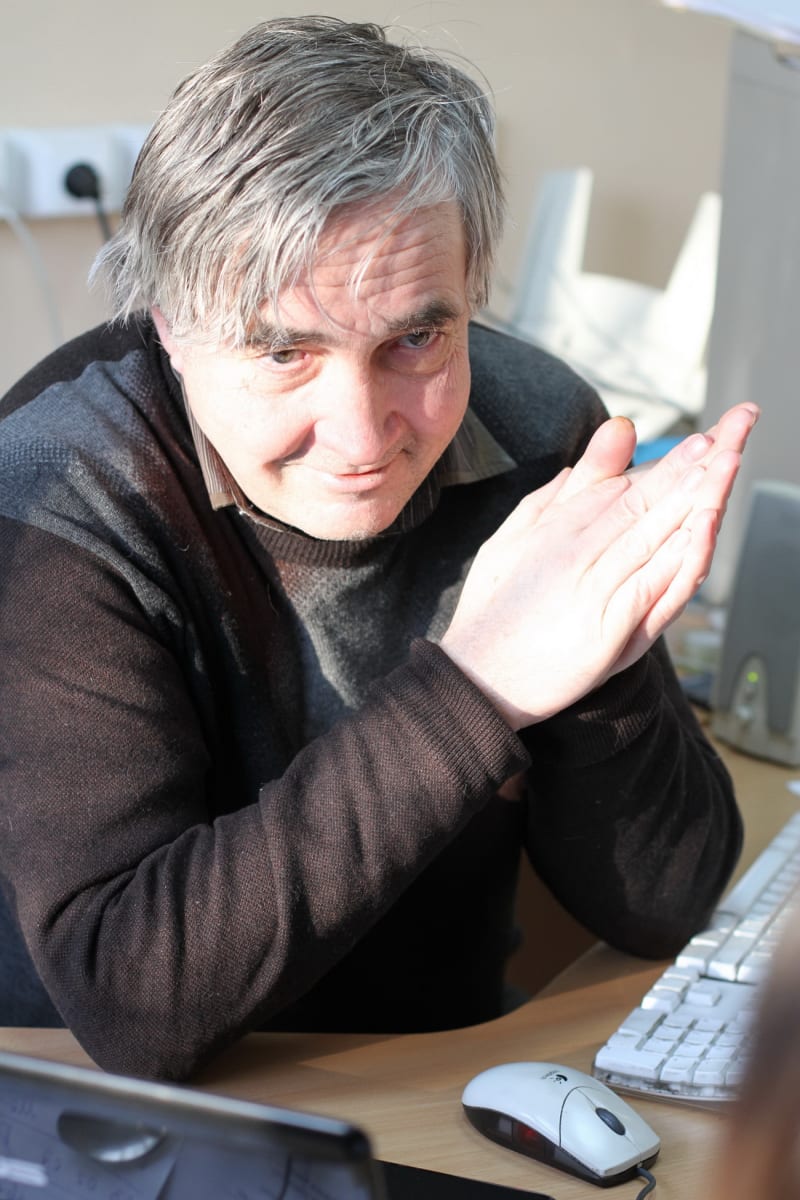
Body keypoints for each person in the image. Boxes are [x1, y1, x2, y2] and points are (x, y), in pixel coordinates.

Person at [0, 16, 758, 1082]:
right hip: (121, 1117)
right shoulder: (52, 491)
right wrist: (480, 683)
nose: (363, 438)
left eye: (415, 338)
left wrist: (598, 651)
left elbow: (667, 902)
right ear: (168, 321)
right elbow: (132, 1000)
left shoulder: (537, 431)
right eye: (283, 351)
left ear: (471, 288)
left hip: (442, 1081)